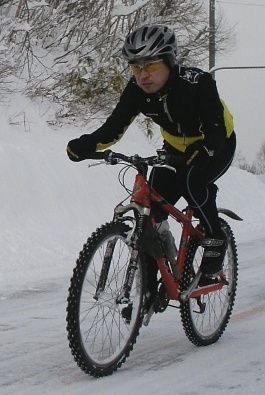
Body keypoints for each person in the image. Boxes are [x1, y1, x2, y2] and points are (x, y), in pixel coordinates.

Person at [67, 24, 236, 289]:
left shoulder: (197, 83)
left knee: (193, 181)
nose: (143, 75)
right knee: (151, 212)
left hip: (217, 142)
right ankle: (148, 284)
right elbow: (114, 127)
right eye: (136, 67)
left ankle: (215, 236)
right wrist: (87, 144)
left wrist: (203, 150)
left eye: (151, 66)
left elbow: (215, 128)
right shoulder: (136, 90)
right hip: (175, 149)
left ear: (169, 61)